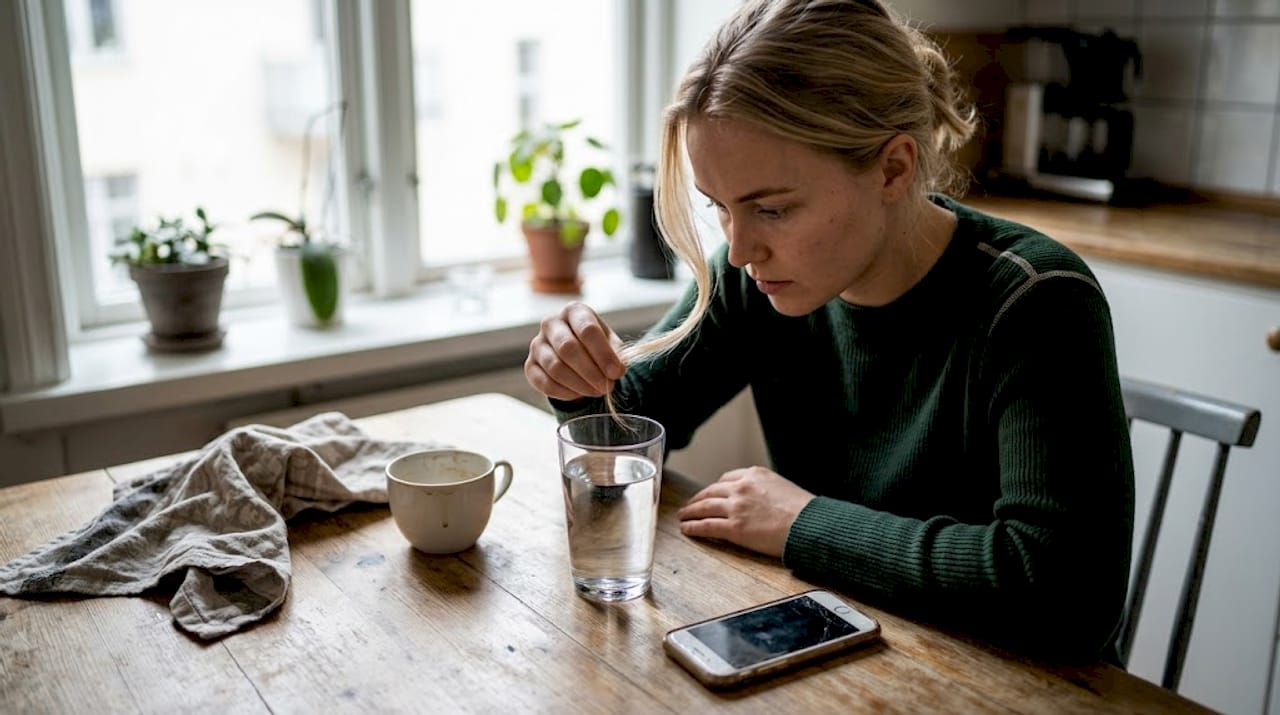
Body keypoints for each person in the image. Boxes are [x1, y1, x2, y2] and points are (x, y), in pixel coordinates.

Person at [525, 0, 1134, 660]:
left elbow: (1066, 595)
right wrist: (575, 371)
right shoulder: (754, 279)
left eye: (773, 209)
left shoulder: (1037, 302)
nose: (740, 248)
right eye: (720, 209)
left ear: (893, 168)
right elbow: (628, 433)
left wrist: (801, 522)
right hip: (846, 652)